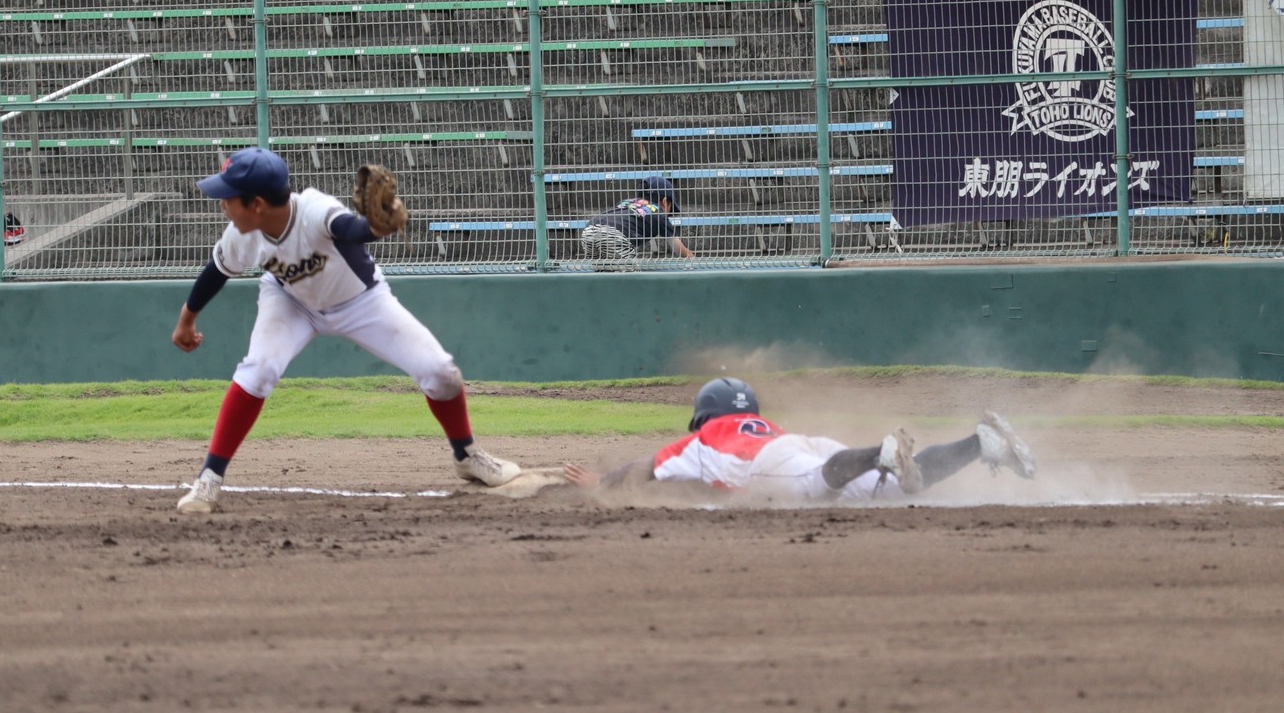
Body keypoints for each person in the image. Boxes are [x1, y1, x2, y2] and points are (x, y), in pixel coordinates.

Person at [171, 147, 522, 514]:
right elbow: (215, 273)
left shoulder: (313, 210)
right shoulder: (241, 234)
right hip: (291, 302)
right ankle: (209, 478)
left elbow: (350, 229)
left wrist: (373, 226)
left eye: (228, 198)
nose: (222, 205)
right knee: (258, 370)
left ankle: (465, 454)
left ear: (256, 203)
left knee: (441, 373)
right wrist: (186, 320)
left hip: (361, 302)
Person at [563, 377, 1036, 504]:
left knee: (815, 486)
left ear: (706, 414)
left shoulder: (704, 438)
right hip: (811, 444)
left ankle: (881, 452)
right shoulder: (765, 423)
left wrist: (601, 483)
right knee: (898, 489)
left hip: (777, 462)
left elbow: (642, 471)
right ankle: (980, 444)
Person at [580, 174, 696, 269]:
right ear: (665, 201)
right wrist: (691, 257)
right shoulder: (658, 213)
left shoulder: (627, 202)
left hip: (589, 230)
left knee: (602, 271)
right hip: (613, 235)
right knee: (631, 278)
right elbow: (679, 250)